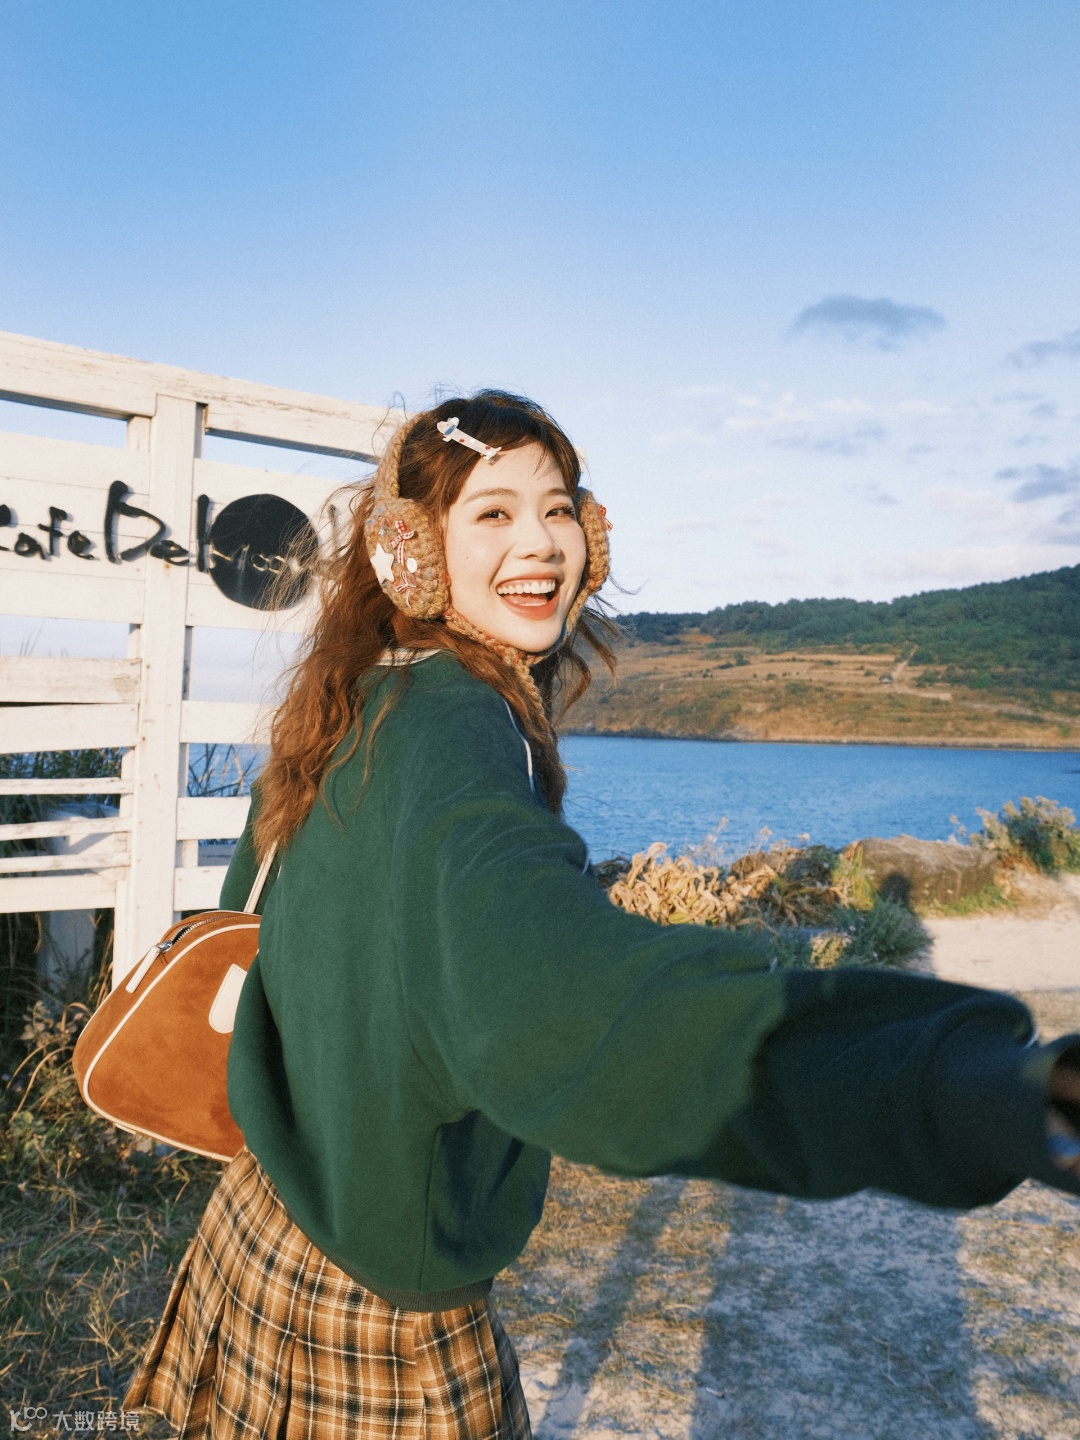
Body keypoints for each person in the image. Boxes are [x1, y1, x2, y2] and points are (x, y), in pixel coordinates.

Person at [126, 391, 1080, 1439]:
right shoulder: (455, 731)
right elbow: (584, 1009)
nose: (542, 543)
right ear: (413, 547)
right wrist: (975, 1090)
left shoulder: (358, 696)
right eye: (493, 513)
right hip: (374, 1315)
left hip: (265, 1230)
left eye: (558, 509)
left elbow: (260, 927)